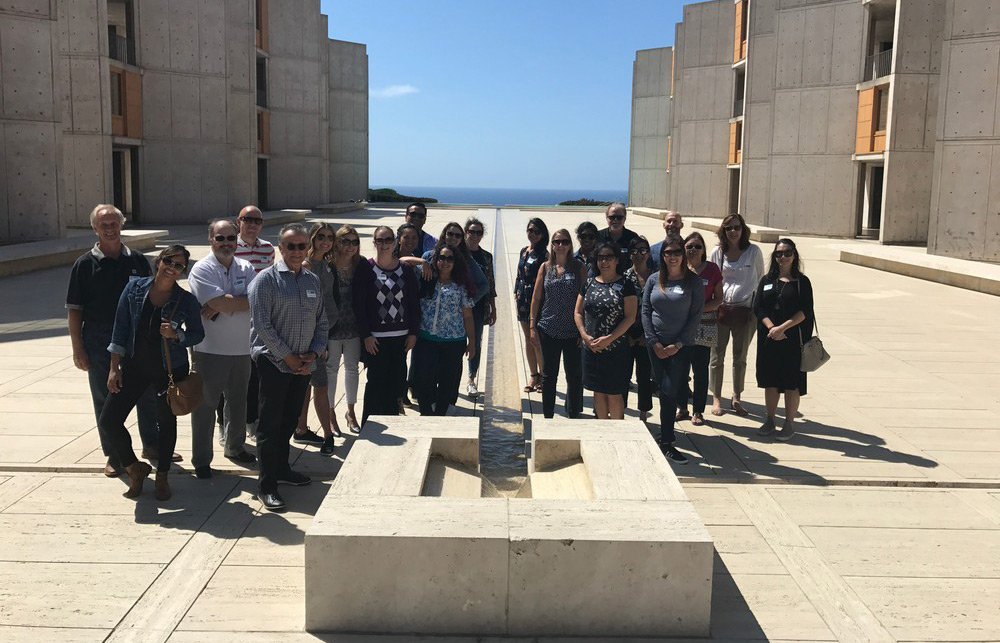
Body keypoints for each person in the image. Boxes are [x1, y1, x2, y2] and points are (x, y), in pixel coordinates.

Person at [66, 204, 163, 477]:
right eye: (104, 224)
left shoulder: (138, 260)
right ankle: (115, 455)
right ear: (95, 228)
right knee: (105, 397)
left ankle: (152, 445)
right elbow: (75, 310)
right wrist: (78, 348)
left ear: (122, 225)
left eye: (114, 223)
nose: (110, 229)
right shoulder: (84, 265)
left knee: (146, 394)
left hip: (136, 336)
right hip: (98, 337)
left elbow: (151, 299)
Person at [100, 245, 204, 500]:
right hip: (135, 367)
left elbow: (197, 334)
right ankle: (135, 468)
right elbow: (120, 327)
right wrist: (114, 367)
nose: (172, 268)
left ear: (183, 271)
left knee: (166, 423)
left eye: (179, 266)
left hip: (168, 371)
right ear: (159, 261)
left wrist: (176, 335)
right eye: (169, 261)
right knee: (109, 420)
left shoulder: (186, 300)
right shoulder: (134, 289)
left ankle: (162, 476)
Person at [248, 224, 329, 512]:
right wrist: (288, 357)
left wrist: (314, 353)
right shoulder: (265, 281)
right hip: (273, 363)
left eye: (301, 246)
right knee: (269, 425)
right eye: (291, 246)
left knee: (289, 420)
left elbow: (321, 320)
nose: (297, 251)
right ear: (280, 249)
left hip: (304, 364)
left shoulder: (312, 281)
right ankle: (266, 485)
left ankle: (282, 469)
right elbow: (262, 325)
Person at [187, 220, 257, 479]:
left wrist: (224, 303)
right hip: (209, 349)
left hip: (242, 348)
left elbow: (256, 299)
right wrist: (222, 303)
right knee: (205, 406)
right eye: (220, 238)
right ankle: (202, 460)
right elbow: (217, 301)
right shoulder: (201, 269)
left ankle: (235, 447)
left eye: (230, 238)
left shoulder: (246, 266)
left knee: (238, 403)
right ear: (210, 240)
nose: (226, 243)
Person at [641, 233, 704, 464]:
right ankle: (666, 433)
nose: (673, 257)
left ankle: (666, 441)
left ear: (683, 255)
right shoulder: (653, 279)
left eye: (677, 252)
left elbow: (696, 315)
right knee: (663, 389)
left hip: (681, 346)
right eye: (668, 253)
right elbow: (645, 310)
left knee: (669, 391)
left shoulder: (693, 281)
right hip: (655, 346)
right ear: (663, 256)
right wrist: (654, 342)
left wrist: (677, 344)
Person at [353, 225, 420, 426]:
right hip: (376, 339)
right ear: (374, 243)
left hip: (401, 337)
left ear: (395, 241)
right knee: (375, 384)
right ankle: (370, 427)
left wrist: (413, 333)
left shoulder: (405, 270)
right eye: (380, 240)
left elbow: (413, 303)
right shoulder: (366, 267)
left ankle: (392, 424)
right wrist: (366, 335)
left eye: (388, 240)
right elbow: (359, 304)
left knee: (396, 384)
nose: (384, 244)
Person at [754, 239, 814, 442]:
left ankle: (789, 422)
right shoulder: (766, 280)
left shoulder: (801, 282)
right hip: (770, 338)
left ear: (794, 255)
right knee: (770, 381)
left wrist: (782, 328)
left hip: (792, 340)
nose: (783, 257)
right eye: (779, 253)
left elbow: (805, 311)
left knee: (791, 382)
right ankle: (770, 419)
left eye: (787, 252)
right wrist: (772, 327)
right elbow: (759, 307)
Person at [709, 213, 764, 417]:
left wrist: (756, 310)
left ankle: (736, 397)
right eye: (729, 228)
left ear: (743, 230)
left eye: (737, 227)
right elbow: (713, 278)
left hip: (746, 311)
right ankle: (716, 398)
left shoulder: (753, 252)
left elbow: (759, 279)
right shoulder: (717, 252)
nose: (733, 231)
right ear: (723, 231)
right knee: (717, 357)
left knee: (740, 357)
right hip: (721, 310)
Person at [575, 240, 637, 420]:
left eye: (609, 257)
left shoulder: (626, 284)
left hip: (615, 349)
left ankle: (617, 432)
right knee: (598, 391)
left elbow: (630, 317)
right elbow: (578, 312)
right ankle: (602, 429)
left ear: (617, 259)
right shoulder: (588, 283)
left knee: (614, 393)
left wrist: (609, 339)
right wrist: (585, 336)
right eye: (601, 257)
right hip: (591, 347)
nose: (604, 261)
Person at [412, 246, 476, 415]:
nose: (445, 262)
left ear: (456, 262)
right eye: (441, 257)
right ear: (436, 259)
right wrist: (422, 261)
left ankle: (440, 415)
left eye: (450, 259)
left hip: (453, 341)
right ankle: (426, 413)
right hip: (426, 339)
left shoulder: (461, 286)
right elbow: (401, 261)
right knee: (424, 379)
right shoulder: (426, 277)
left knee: (447, 381)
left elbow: (468, 316)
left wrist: (472, 343)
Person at [529, 229, 586, 419]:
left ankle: (573, 413)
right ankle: (547, 416)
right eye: (557, 242)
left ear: (570, 245)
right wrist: (532, 326)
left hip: (572, 332)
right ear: (552, 245)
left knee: (574, 376)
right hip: (548, 329)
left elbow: (585, 299)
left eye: (564, 242)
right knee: (549, 376)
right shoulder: (546, 267)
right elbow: (536, 298)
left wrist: (583, 331)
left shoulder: (579, 267)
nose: (560, 245)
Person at [294, 223, 340, 456]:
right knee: (321, 386)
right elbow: (305, 308)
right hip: (312, 340)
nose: (325, 241)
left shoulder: (326, 264)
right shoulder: (306, 266)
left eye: (329, 237)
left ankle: (301, 428)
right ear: (312, 238)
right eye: (320, 237)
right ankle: (328, 435)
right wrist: (317, 345)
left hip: (324, 334)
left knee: (308, 387)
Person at [233, 205, 274, 439]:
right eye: (247, 219)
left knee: (255, 374)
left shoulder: (267, 249)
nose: (252, 224)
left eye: (256, 220)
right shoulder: (231, 245)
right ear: (239, 221)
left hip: (258, 320)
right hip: (234, 318)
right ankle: (225, 423)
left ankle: (251, 420)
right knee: (232, 375)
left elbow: (268, 282)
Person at [676, 231, 723, 426]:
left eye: (697, 246)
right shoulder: (678, 268)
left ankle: (698, 410)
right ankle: (681, 407)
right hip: (680, 326)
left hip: (704, 325)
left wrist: (698, 309)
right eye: (689, 246)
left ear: (704, 249)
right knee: (679, 368)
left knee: (700, 370)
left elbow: (719, 299)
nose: (693, 250)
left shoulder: (712, 270)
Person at [326, 225, 363, 437]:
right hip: (332, 328)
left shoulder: (361, 265)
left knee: (351, 370)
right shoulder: (327, 265)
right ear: (337, 242)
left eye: (354, 242)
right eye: (345, 241)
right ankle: (330, 414)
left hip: (354, 327)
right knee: (331, 370)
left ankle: (350, 412)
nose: (350, 246)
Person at [464, 217, 497, 398]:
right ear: (466, 233)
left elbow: (490, 284)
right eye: (472, 232)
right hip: (457, 307)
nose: (475, 235)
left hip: (477, 306)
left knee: (475, 342)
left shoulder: (486, 257)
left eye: (478, 232)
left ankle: (471, 379)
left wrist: (493, 307)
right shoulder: (458, 254)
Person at [515, 218, 549, 393]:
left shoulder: (545, 255)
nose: (533, 234)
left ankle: (544, 376)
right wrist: (516, 292)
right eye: (530, 230)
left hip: (537, 301)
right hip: (522, 300)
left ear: (542, 234)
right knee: (527, 339)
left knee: (537, 340)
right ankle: (533, 375)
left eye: (536, 231)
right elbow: (519, 274)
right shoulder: (523, 251)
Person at [623, 237, 654, 421]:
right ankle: (622, 413)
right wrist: (625, 334)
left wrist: (647, 336)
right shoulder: (625, 276)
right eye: (634, 251)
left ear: (648, 253)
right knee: (623, 375)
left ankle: (643, 415)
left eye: (642, 250)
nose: (638, 255)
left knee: (644, 378)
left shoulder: (656, 277)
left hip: (647, 334)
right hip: (627, 333)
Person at [597, 203, 639, 270]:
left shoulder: (633, 237)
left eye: (619, 217)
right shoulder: (598, 236)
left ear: (624, 219)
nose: (615, 220)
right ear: (607, 218)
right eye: (612, 217)